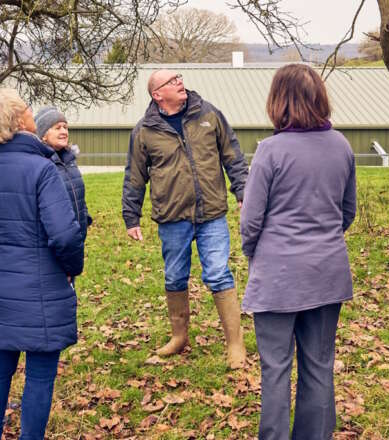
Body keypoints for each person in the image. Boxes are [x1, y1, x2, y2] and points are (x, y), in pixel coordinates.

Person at [240, 63, 357, 440]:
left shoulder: (270, 152)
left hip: (277, 277)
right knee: (319, 365)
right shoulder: (341, 145)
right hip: (326, 272)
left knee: (275, 369)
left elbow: (250, 221)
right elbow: (347, 211)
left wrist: (256, 253)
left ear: (279, 101)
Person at [0, 87, 84, 440]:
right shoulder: (44, 170)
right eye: (30, 109)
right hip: (41, 289)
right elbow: (64, 235)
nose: (35, 114)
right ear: (21, 120)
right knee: (39, 374)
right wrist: (71, 267)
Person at [121, 70, 249, 369]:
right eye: (171, 81)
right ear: (157, 94)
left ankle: (235, 344)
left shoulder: (208, 114)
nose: (180, 82)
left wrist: (242, 189)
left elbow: (232, 154)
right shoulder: (145, 131)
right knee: (175, 277)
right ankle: (179, 338)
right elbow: (135, 176)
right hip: (172, 217)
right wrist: (131, 216)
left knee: (218, 274)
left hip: (212, 214)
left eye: (179, 77)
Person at [34, 106, 92, 238]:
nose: (64, 131)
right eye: (57, 127)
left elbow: (77, 193)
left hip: (76, 237)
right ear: (43, 135)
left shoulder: (70, 160)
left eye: (65, 127)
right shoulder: (40, 163)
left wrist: (84, 217)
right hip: (54, 241)